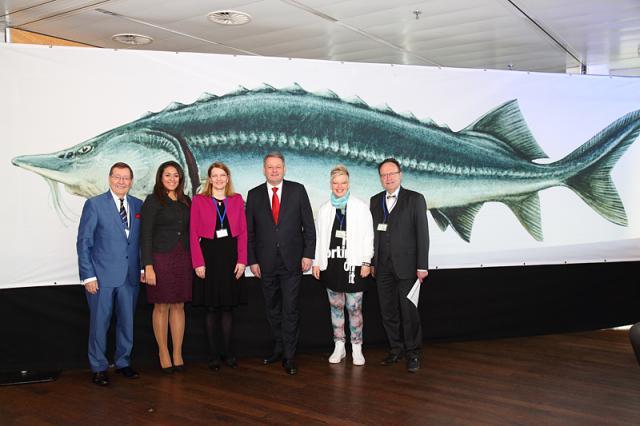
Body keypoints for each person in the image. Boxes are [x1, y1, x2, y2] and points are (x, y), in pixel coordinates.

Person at [245, 151, 316, 375]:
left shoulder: (297, 190)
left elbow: (309, 227)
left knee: (290, 310)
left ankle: (290, 355)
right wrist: (252, 260)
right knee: (272, 309)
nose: (274, 170)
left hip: (292, 262)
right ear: (264, 169)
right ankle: (279, 347)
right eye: (270, 167)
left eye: (278, 167)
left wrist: (308, 254)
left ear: (284, 169)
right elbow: (250, 232)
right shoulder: (254, 194)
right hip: (265, 264)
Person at [77, 162, 143, 386]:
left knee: (127, 323)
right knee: (99, 324)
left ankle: (123, 362)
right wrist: (88, 276)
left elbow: (140, 242)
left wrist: (142, 268)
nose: (121, 181)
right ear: (109, 178)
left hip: (130, 277)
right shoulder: (94, 205)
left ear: (131, 181)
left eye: (126, 178)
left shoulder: (138, 205)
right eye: (117, 177)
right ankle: (98, 367)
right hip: (101, 278)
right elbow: (84, 242)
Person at [370, 158, 429, 373]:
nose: (388, 178)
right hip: (382, 268)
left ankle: (413, 352)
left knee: (409, 312)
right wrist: (373, 262)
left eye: (392, 173)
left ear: (400, 174)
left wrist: (422, 265)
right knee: (388, 311)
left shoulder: (415, 199)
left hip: (408, 267)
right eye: (384, 175)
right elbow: (373, 235)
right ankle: (396, 348)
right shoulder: (374, 201)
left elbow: (423, 235)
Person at [312, 165, 374, 366]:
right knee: (335, 307)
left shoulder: (360, 206)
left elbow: (368, 236)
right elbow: (319, 238)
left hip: (355, 266)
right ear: (331, 184)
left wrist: (366, 261)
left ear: (349, 184)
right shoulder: (324, 209)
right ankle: (339, 346)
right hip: (332, 265)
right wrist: (317, 262)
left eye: (343, 183)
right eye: (336, 183)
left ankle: (357, 348)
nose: (339, 186)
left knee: (354, 308)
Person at [190, 162, 247, 371]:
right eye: (215, 175)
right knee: (211, 309)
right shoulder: (199, 200)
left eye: (222, 175)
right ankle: (213, 355)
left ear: (228, 177)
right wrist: (198, 263)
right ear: (209, 178)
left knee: (228, 308)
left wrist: (242, 260)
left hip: (230, 258)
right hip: (209, 257)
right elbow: (193, 234)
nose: (219, 179)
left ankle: (228, 353)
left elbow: (242, 232)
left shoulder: (237, 199)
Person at [140, 161, 192, 373]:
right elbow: (145, 236)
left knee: (179, 305)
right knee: (161, 306)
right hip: (160, 258)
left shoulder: (186, 201)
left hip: (183, 258)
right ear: (160, 178)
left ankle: (177, 352)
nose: (172, 179)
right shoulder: (153, 201)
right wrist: (148, 266)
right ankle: (163, 352)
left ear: (181, 178)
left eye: (176, 175)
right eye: (167, 175)